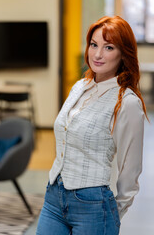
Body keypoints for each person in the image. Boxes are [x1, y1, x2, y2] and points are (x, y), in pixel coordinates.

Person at [36, 16, 148, 235]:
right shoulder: (80, 86)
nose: (97, 54)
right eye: (94, 45)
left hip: (93, 206)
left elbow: (130, 168)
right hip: (54, 197)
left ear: (123, 53)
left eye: (108, 47)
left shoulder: (127, 102)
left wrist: (113, 212)